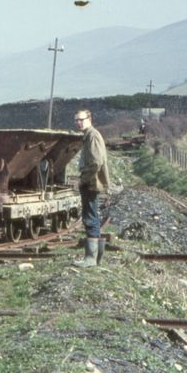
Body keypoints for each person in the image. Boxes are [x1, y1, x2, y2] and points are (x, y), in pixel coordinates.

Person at [71, 109, 109, 268]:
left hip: (91, 183)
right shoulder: (89, 136)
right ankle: (96, 259)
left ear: (89, 118)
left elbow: (95, 163)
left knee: (90, 218)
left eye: (81, 119)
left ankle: (91, 259)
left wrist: (81, 181)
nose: (79, 122)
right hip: (92, 182)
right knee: (92, 217)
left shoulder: (92, 136)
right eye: (76, 120)